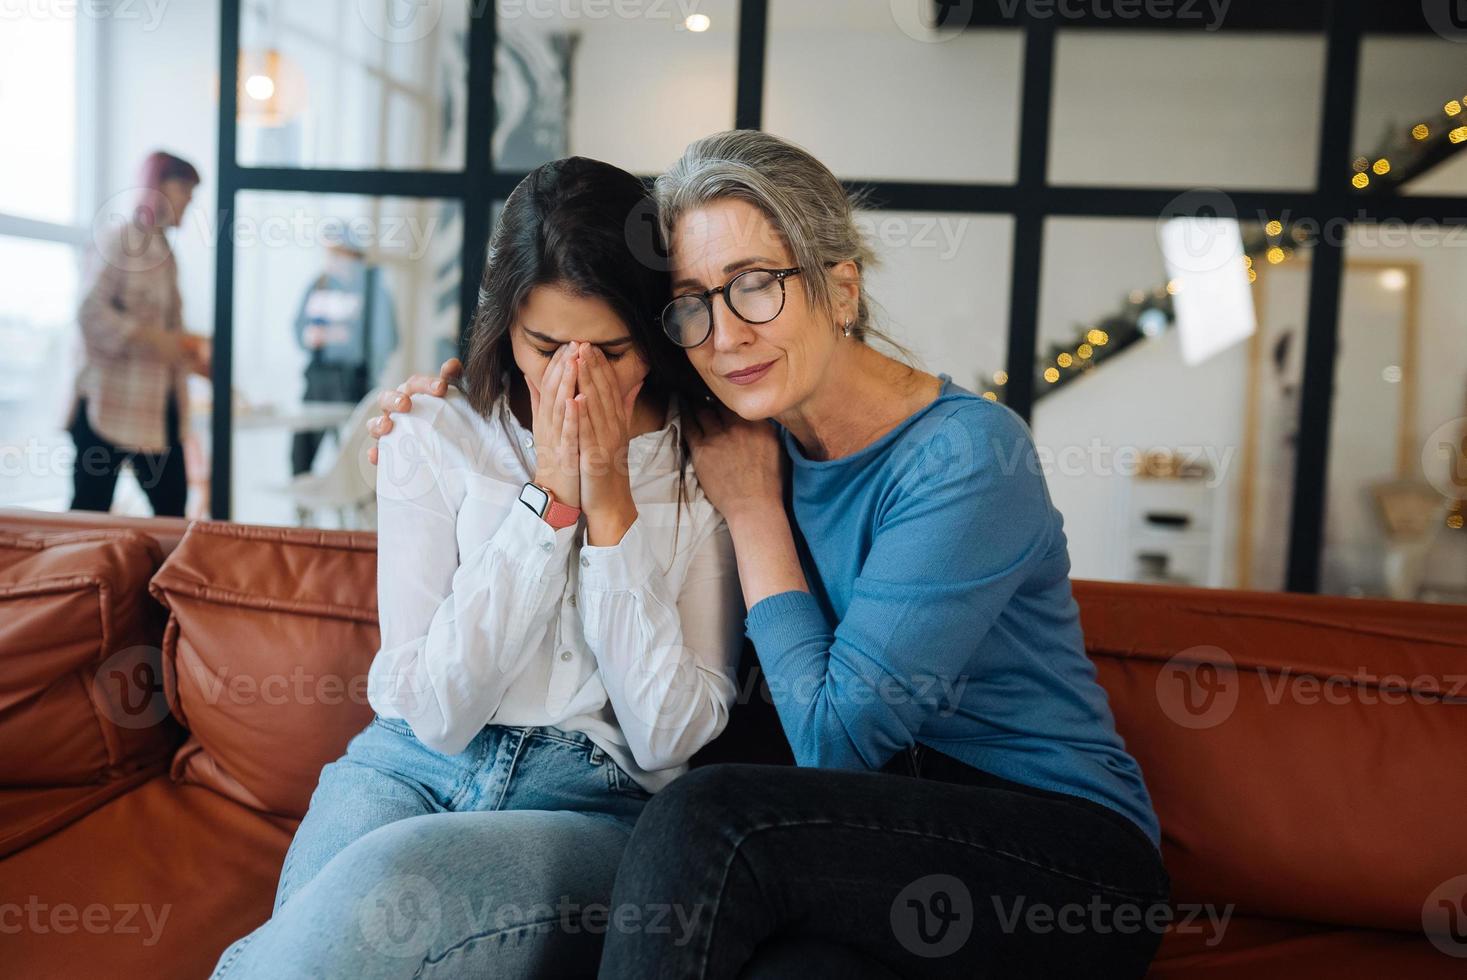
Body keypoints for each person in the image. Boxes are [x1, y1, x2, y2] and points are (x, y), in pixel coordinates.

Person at [376, 132, 1168, 978]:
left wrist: (755, 513)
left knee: (704, 816)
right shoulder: (737, 431)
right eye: (690, 303)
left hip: (1059, 855)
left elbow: (835, 740)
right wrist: (452, 403)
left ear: (840, 288)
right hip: (858, 837)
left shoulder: (964, 455)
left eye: (756, 286)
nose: (724, 334)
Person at [209, 158, 744, 979]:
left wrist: (610, 504)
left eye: (608, 349)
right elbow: (435, 711)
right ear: (503, 324)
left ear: (656, 329)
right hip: (409, 766)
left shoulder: (707, 457)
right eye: (544, 346)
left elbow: (666, 734)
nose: (574, 378)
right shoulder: (433, 433)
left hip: (591, 796)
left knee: (376, 899)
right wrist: (551, 498)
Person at [69, 150, 210, 516]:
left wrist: (186, 345)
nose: (190, 201)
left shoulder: (165, 252)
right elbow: (89, 312)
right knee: (89, 514)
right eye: (185, 190)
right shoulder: (118, 240)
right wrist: (149, 337)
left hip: (155, 408)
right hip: (109, 404)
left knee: (172, 512)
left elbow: (165, 329)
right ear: (159, 187)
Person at [290, 222, 399, 475]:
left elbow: (386, 340)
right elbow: (299, 330)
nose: (334, 259)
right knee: (300, 454)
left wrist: (348, 344)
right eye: (330, 253)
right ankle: (303, 508)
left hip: (354, 384)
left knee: (356, 459)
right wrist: (316, 336)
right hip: (317, 382)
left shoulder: (372, 289)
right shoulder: (319, 285)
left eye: (339, 252)